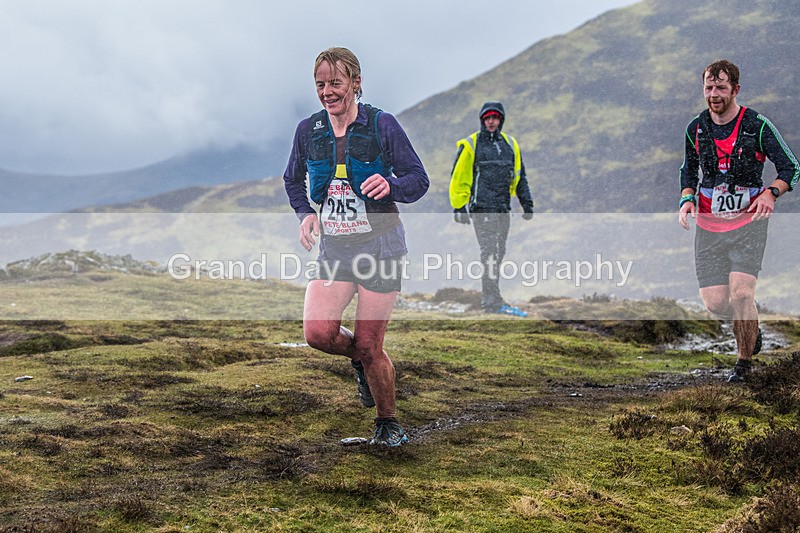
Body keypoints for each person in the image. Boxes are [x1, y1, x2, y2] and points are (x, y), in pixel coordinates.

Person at [283, 47, 429, 445]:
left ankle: (387, 423)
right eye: (321, 84)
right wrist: (305, 214)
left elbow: (418, 179)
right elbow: (293, 181)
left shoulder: (383, 125)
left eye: (336, 83)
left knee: (370, 344)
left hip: (381, 245)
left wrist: (392, 185)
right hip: (335, 248)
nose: (327, 92)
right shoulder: (308, 130)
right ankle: (360, 363)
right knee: (317, 332)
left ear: (356, 83)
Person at [679, 59, 799, 382]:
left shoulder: (757, 126)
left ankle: (743, 365)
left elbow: (791, 167)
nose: (713, 94)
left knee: (742, 293)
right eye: (708, 87)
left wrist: (771, 193)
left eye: (720, 87)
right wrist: (687, 198)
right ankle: (751, 322)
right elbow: (688, 171)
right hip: (709, 226)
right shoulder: (696, 129)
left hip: (749, 223)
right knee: (717, 303)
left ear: (735, 89)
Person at [449, 102, 534, 316]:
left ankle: (493, 298)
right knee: (490, 252)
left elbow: (519, 176)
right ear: (482, 120)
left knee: (499, 251)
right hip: (481, 209)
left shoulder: (510, 144)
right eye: (487, 117)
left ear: (501, 120)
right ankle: (491, 302)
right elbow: (459, 177)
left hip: (503, 208)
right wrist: (459, 206)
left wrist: (527, 203)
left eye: (495, 117)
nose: (491, 121)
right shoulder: (471, 144)